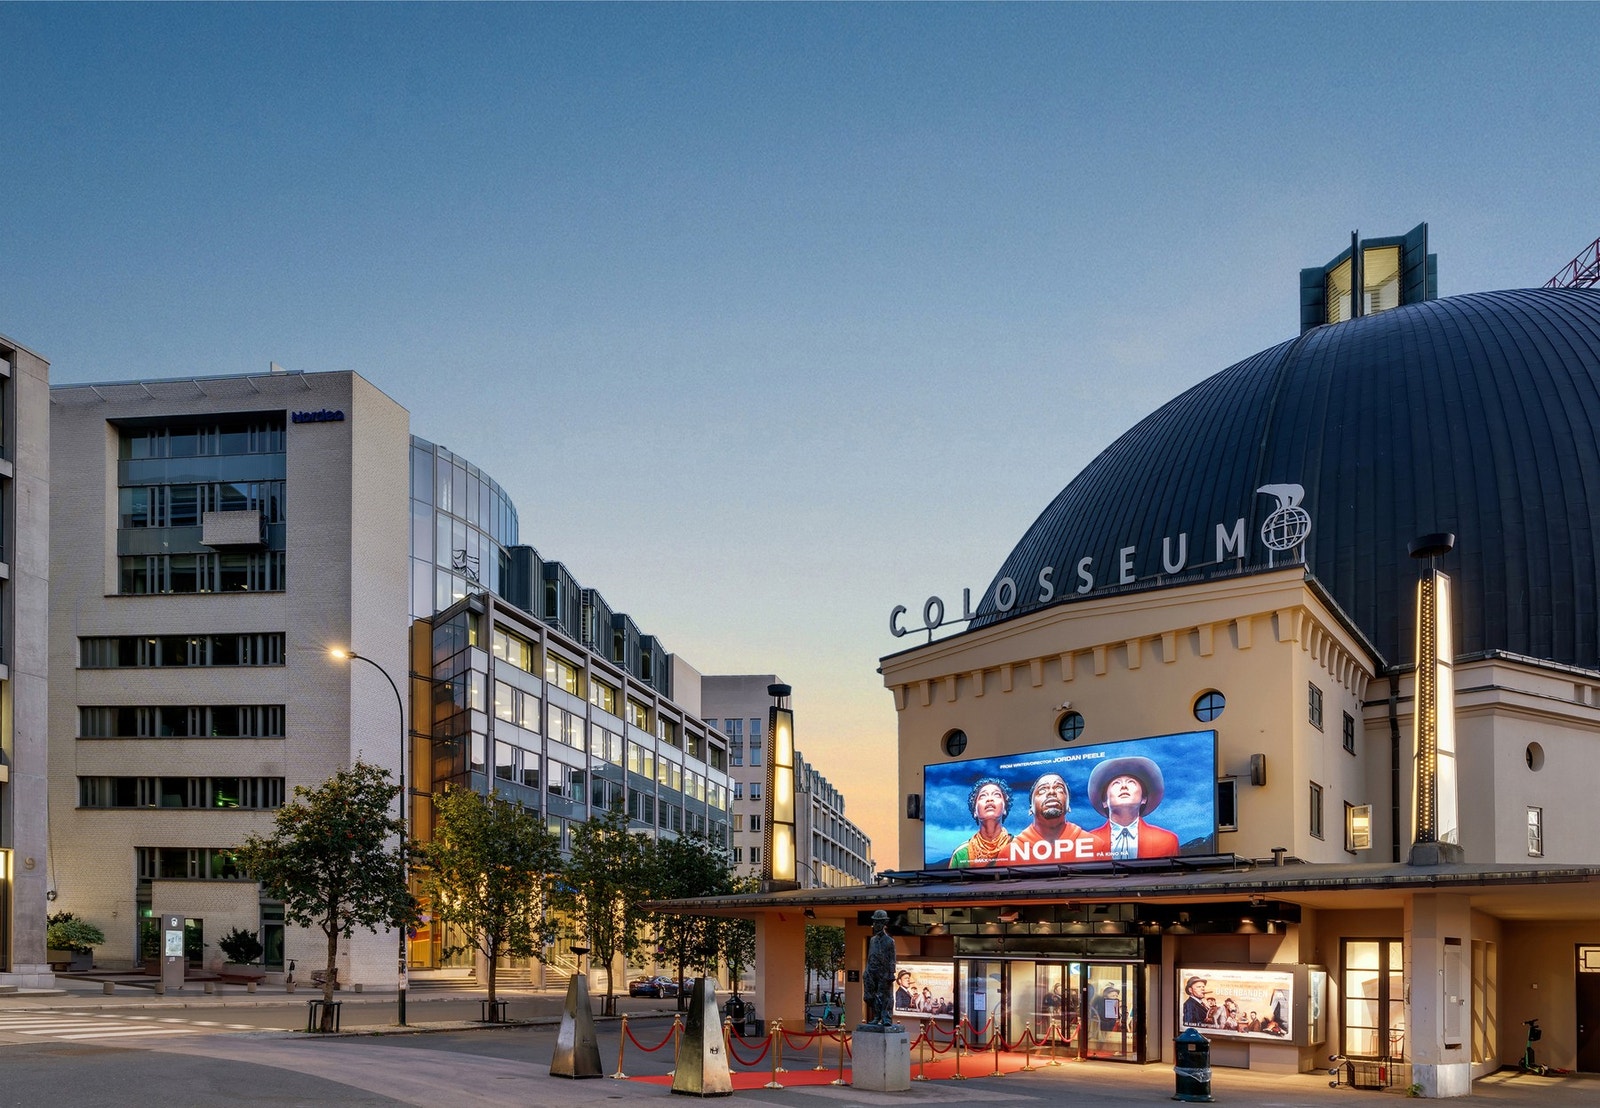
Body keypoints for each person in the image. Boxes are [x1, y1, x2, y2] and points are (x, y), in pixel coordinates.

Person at [1084, 756, 1180, 860]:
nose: (1124, 786)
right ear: (1104, 802)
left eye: (1131, 782)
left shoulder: (1167, 841)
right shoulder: (1087, 842)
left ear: (1144, 799)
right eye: (1116, 783)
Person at [1008, 773, 1090, 863]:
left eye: (1059, 788)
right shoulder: (1009, 853)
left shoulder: (1094, 845)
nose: (1052, 792)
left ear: (1068, 805)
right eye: (1042, 790)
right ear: (1030, 808)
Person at [949, 777, 1014, 867]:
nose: (990, 799)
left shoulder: (1018, 846)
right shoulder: (961, 854)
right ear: (975, 811)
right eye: (983, 796)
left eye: (996, 794)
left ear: (1005, 809)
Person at [861, 909, 898, 1028]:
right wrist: (867, 970)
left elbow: (892, 958)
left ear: (883, 924)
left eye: (878, 923)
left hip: (884, 972)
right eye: (875, 922)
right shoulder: (872, 940)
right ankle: (876, 1016)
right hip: (872, 971)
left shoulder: (889, 941)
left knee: (885, 995)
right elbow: (870, 956)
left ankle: (886, 1017)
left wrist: (891, 973)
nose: (876, 925)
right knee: (870, 996)